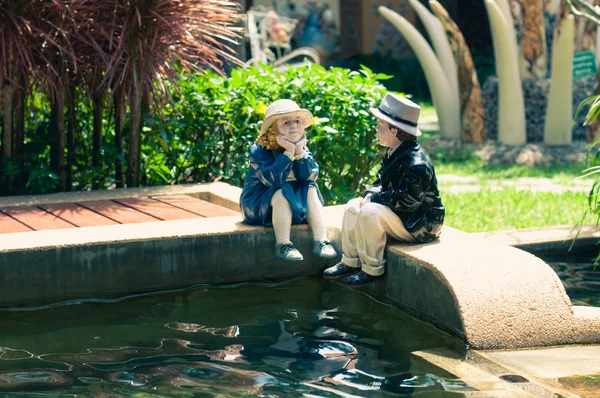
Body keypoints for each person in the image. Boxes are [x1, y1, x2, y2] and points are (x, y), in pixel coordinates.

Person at [322, 93, 445, 288]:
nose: (376, 128)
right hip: (401, 213)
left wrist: (376, 199)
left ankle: (372, 270)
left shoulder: (416, 163)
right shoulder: (394, 151)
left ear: (394, 130)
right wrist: (371, 193)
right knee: (353, 207)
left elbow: (408, 200)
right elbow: (381, 180)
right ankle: (350, 261)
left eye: (380, 124)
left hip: (418, 222)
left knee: (370, 212)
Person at [240, 99, 337, 262]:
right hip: (260, 204)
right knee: (280, 193)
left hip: (291, 199)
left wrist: (299, 152)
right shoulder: (259, 150)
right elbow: (272, 181)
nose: (293, 126)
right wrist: (288, 153)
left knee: (311, 189)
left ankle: (321, 240)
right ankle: (283, 244)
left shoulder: (301, 147)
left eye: (297, 121)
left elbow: (310, 177)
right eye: (286, 122)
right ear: (273, 129)